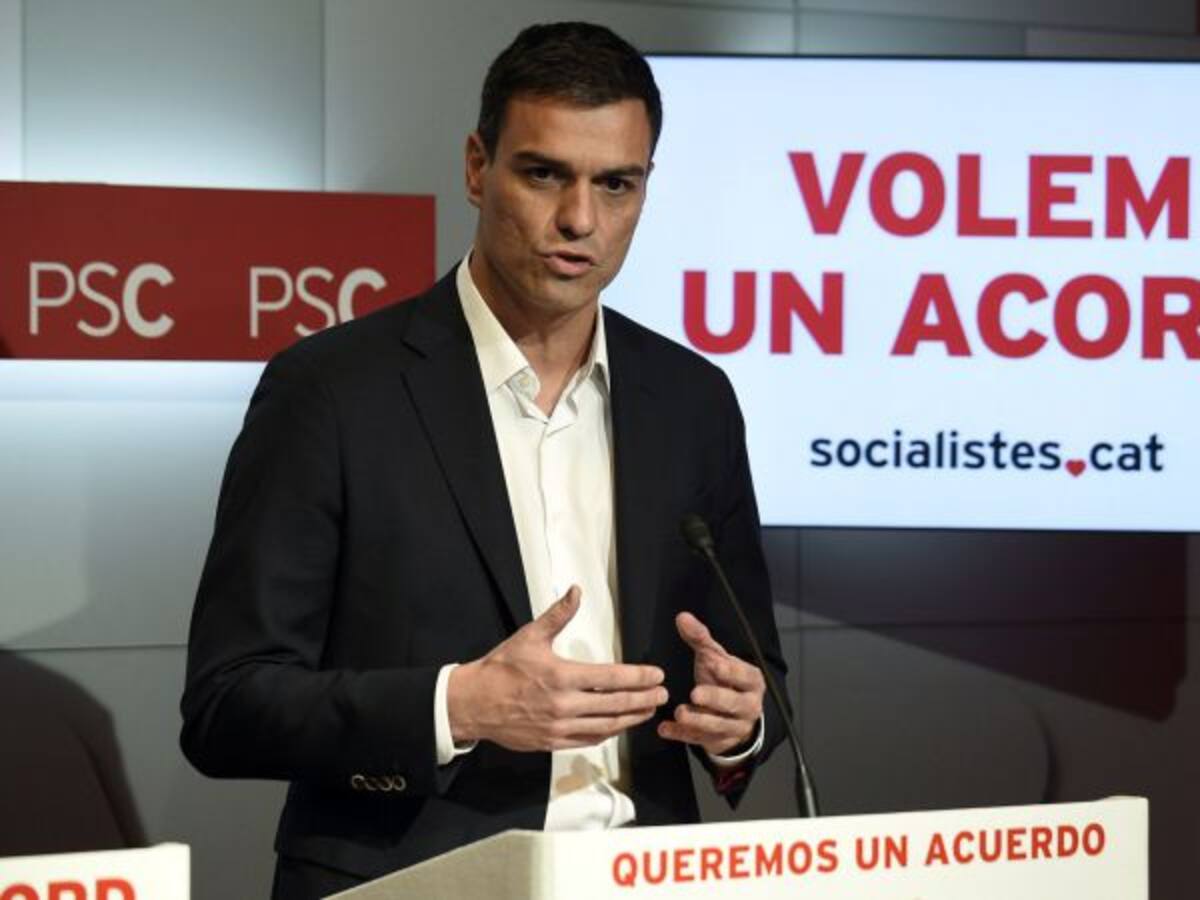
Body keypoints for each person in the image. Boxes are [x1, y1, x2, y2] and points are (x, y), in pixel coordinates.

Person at [181, 21, 789, 900]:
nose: (580, 219)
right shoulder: (331, 391)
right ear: (477, 167)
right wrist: (458, 706)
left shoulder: (694, 399)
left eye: (616, 184)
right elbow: (227, 704)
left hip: (645, 878)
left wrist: (739, 723)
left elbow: (758, 673)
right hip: (412, 881)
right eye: (544, 174)